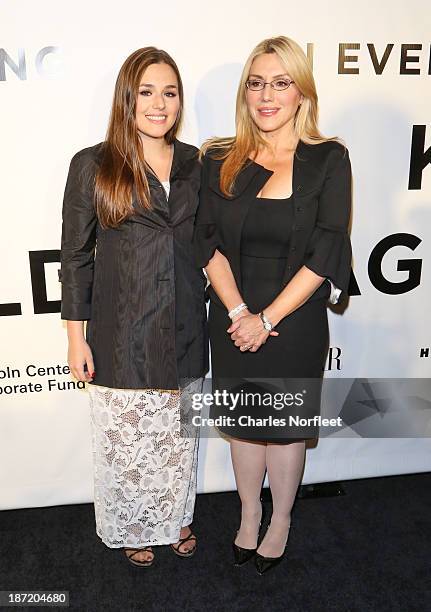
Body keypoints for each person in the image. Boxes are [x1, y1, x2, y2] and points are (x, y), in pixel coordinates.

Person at [193, 35, 352, 574]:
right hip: (233, 315)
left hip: (295, 319)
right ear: (245, 93)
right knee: (243, 424)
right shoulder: (219, 157)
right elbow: (206, 240)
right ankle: (247, 513)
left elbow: (327, 246)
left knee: (283, 430)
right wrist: (239, 313)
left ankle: (280, 519)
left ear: (301, 94)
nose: (267, 95)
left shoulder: (328, 158)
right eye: (257, 83)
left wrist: (267, 319)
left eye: (281, 83)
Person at [60, 47, 208, 568]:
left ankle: (175, 517)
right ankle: (132, 524)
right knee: (127, 444)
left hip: (187, 319)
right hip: (122, 325)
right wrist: (76, 336)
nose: (159, 103)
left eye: (169, 92)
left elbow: (212, 242)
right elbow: (76, 256)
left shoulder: (198, 162)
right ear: (128, 97)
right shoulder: (94, 164)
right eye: (147, 91)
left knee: (178, 438)